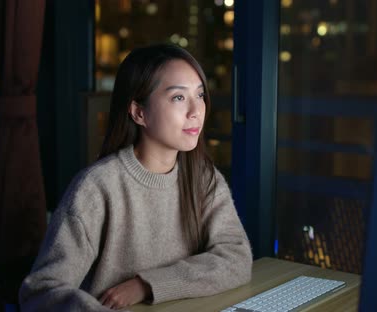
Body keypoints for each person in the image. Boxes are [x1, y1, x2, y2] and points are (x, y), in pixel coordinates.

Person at [19, 44, 253, 311]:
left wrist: (145, 285)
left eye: (199, 95)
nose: (196, 110)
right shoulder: (96, 188)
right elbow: (41, 291)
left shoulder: (203, 178)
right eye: (178, 97)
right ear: (138, 112)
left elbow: (236, 257)